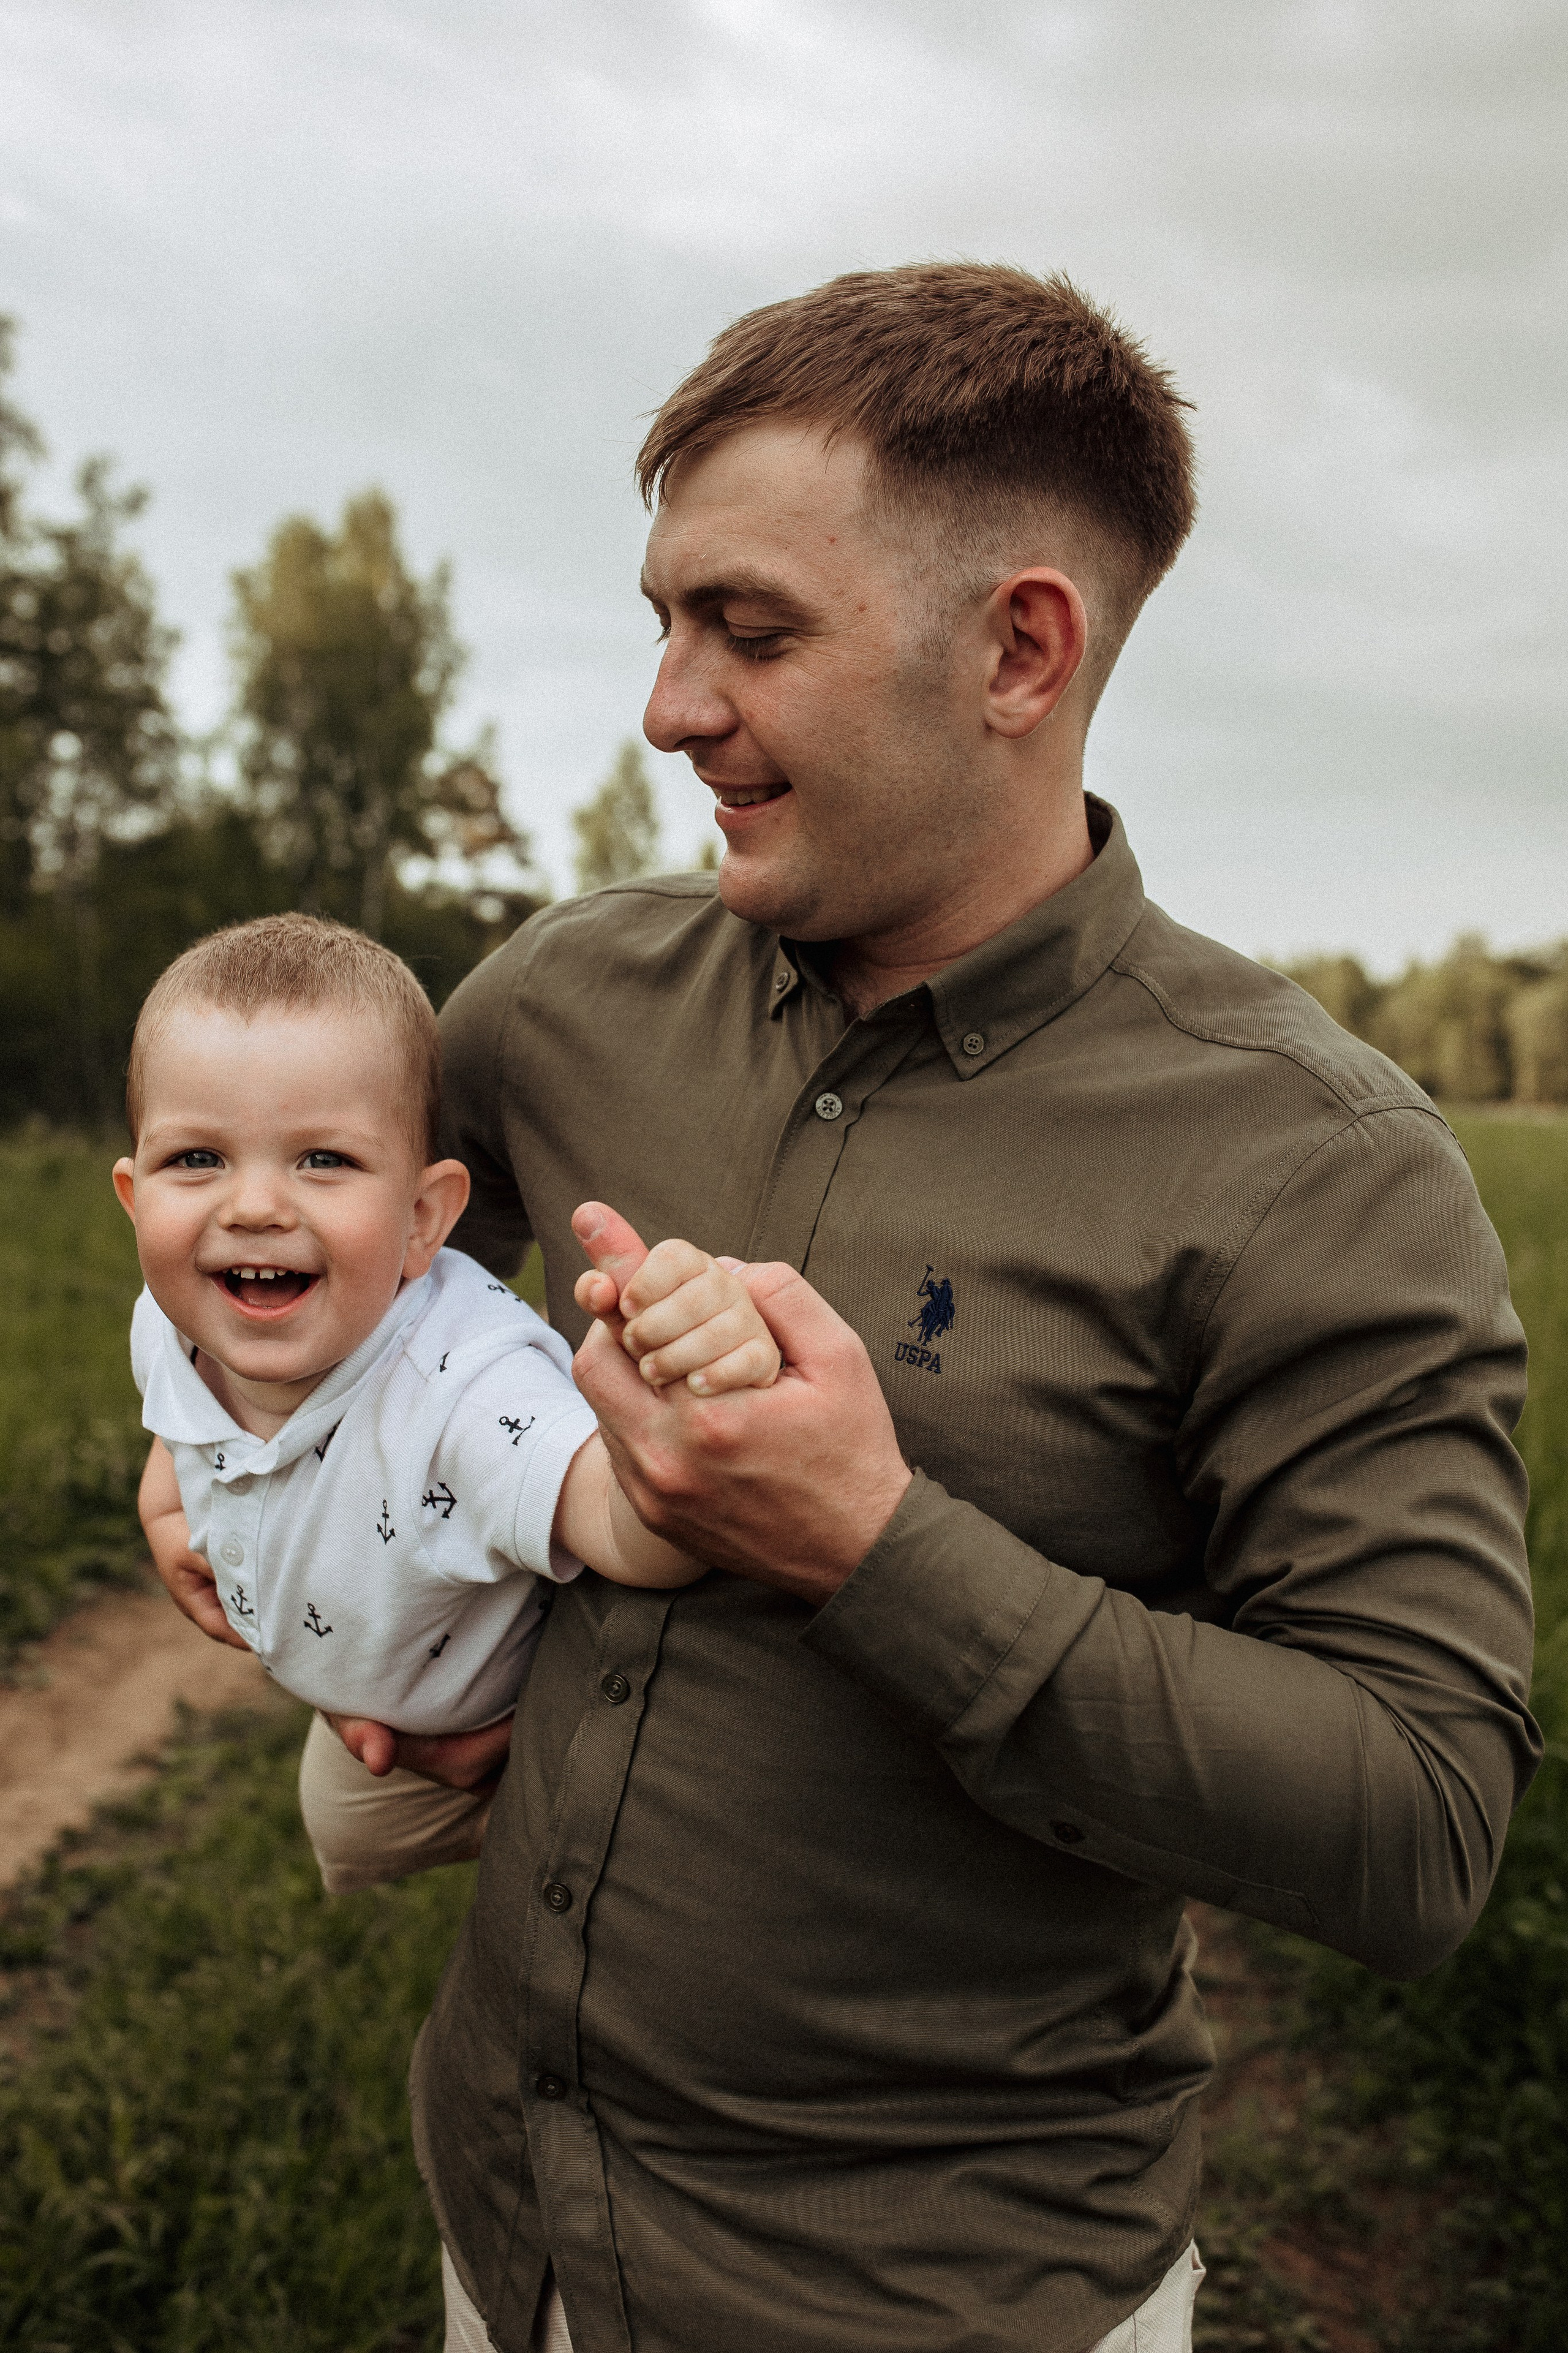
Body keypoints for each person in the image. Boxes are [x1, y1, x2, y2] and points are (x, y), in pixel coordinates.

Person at [371, 265, 1532, 2353]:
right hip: (502, 2231)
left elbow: (1422, 1822)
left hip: (942, 2302)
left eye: (751, 630)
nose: (665, 706)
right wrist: (251, 1505)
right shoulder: (558, 1006)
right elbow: (342, 1304)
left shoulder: (1321, 1170)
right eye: (662, 620)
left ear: (1019, 647)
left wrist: (874, 1548)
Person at [117, 913, 780, 1890]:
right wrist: (166, 1506)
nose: (253, 1205)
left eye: (323, 1159)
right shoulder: (170, 1317)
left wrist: (686, 1415)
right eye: (197, 1160)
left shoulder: (465, 1385)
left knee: (593, 1871)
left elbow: (631, 1535)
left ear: (424, 1218)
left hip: (493, 1729)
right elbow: (178, 1413)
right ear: (134, 1195)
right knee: (343, 1844)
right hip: (358, 1703)